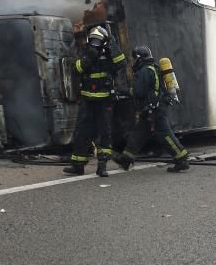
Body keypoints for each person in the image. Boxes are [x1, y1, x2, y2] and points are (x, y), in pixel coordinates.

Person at [113, 46, 190, 173]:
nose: (133, 62)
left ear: (139, 58)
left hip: (155, 110)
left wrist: (124, 91)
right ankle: (126, 159)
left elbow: (138, 92)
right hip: (151, 109)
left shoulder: (144, 71)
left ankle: (181, 159)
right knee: (138, 134)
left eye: (134, 59)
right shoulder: (152, 68)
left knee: (165, 135)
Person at [64, 26, 127, 177]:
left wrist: (112, 44)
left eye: (98, 41)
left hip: (105, 101)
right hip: (87, 100)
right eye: (93, 40)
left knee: (104, 134)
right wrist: (88, 59)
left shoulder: (110, 52)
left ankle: (102, 166)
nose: (95, 43)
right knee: (81, 132)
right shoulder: (86, 52)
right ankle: (78, 165)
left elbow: (121, 63)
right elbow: (75, 69)